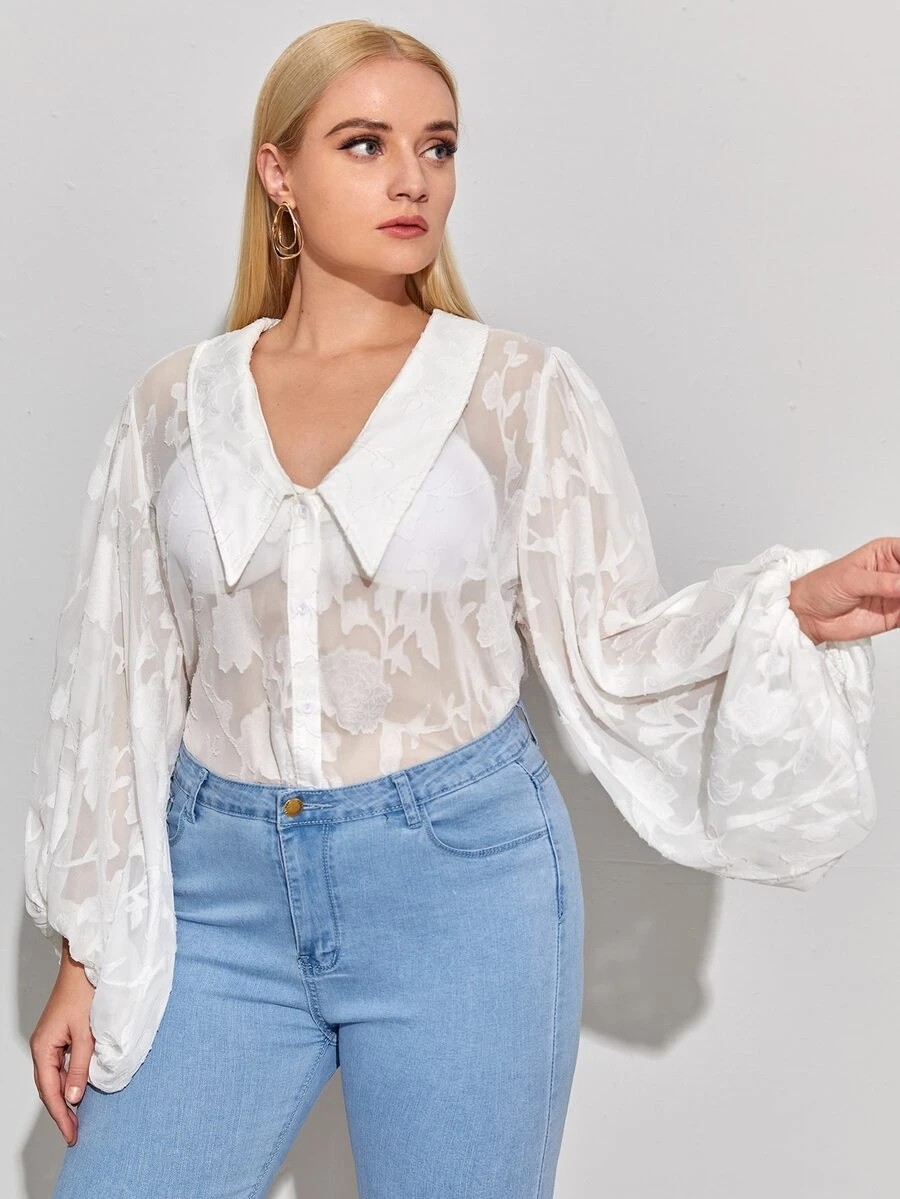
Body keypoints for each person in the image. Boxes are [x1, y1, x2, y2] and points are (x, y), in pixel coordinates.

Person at [24, 18, 897, 1199]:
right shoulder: (174, 403)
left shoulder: (517, 390)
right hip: (215, 897)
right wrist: (84, 951)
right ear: (279, 173)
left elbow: (610, 645)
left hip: (461, 890)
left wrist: (786, 607)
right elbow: (117, 678)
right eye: (365, 143)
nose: (412, 179)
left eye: (436, 147)